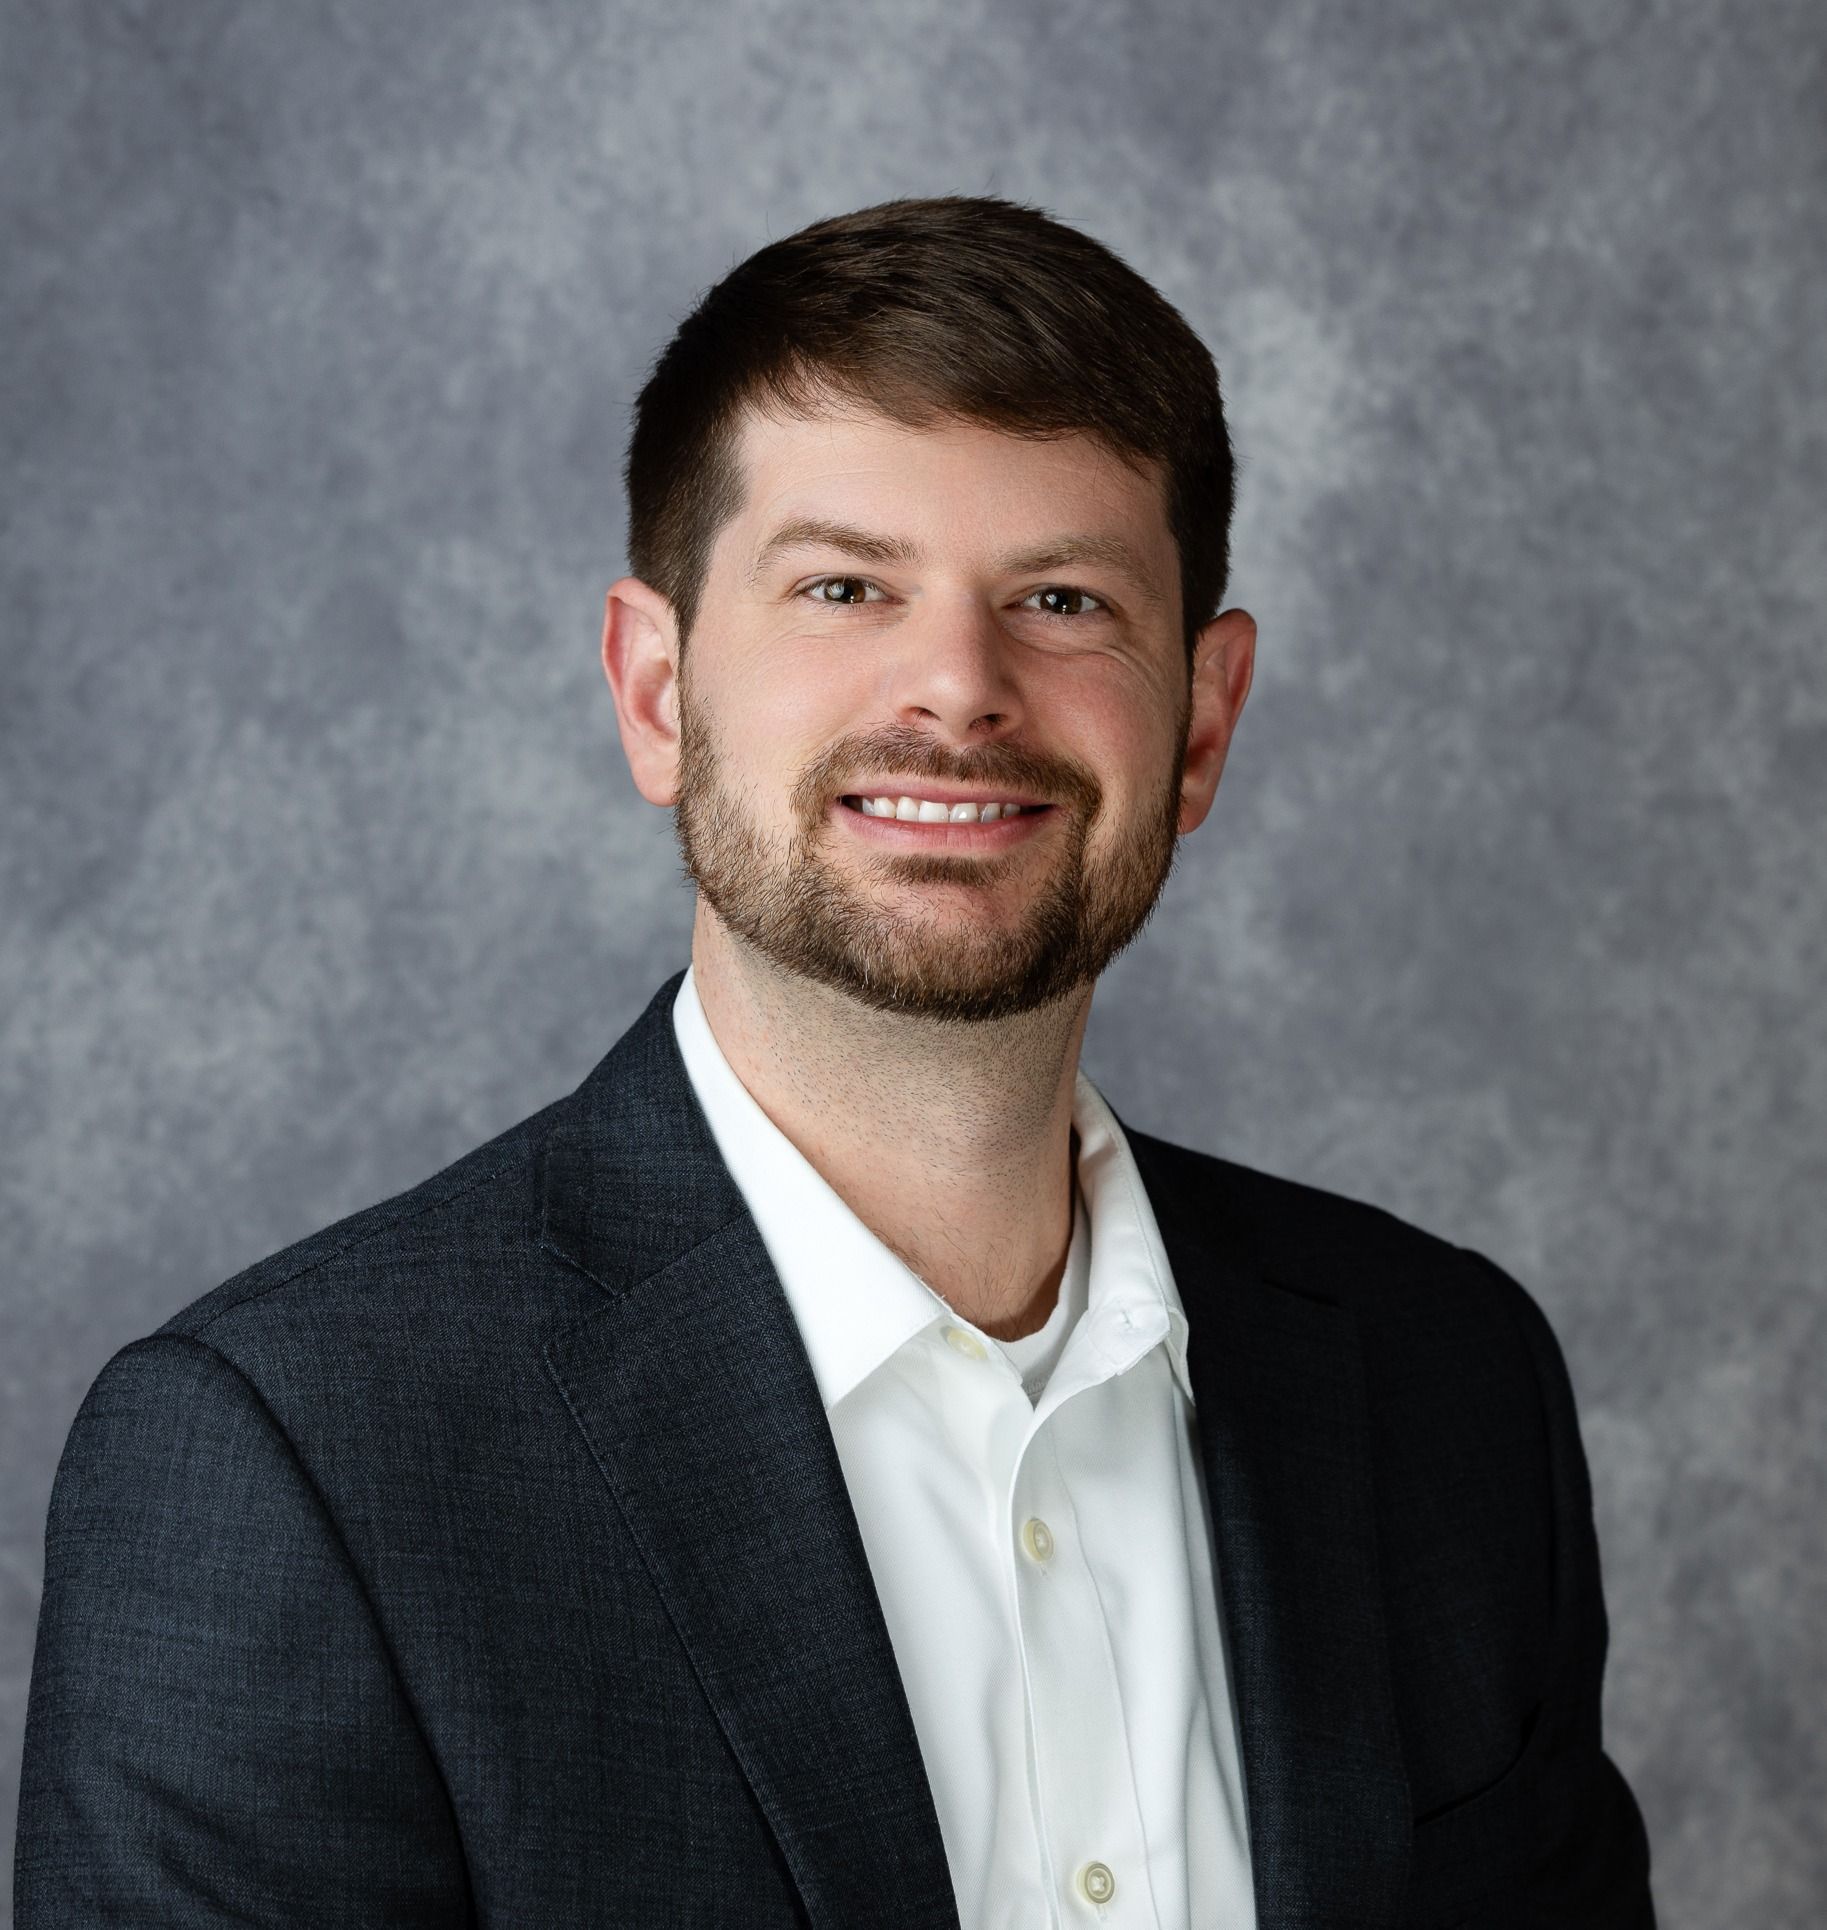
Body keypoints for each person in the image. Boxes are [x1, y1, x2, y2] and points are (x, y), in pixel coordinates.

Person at [14, 194, 1655, 1928]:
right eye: (844, 585)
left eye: (1064, 597)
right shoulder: (290, 1464)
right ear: (658, 694)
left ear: (1202, 720)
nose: (957, 686)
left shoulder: (1448, 1384)